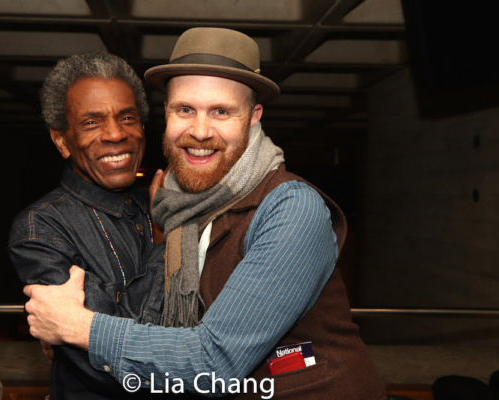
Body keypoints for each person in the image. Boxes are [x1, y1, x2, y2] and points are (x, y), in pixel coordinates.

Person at [23, 27, 387, 399]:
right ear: (167, 113)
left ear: (253, 117)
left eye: (221, 111)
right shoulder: (181, 208)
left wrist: (77, 328)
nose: (199, 131)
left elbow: (215, 362)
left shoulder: (291, 208)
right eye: (185, 109)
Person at [7, 52, 166, 399]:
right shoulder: (42, 228)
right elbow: (114, 367)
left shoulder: (153, 201)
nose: (115, 134)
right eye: (91, 122)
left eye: (127, 117)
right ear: (62, 140)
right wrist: (164, 243)